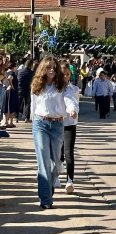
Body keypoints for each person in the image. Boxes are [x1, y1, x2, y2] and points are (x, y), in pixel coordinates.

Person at [30, 56, 78, 209]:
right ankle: (45, 199)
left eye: (53, 67)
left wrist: (72, 110)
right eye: (48, 67)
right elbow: (33, 104)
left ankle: (48, 188)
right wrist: (32, 120)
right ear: (43, 69)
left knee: (55, 164)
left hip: (57, 125)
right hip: (40, 124)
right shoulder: (37, 85)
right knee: (43, 160)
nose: (51, 69)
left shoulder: (62, 85)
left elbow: (69, 99)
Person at [60, 61, 80, 194]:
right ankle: (55, 176)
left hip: (70, 124)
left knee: (68, 153)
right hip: (56, 123)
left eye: (67, 74)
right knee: (57, 153)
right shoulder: (54, 88)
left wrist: (73, 111)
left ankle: (70, 181)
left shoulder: (74, 89)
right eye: (63, 75)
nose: (65, 77)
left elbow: (75, 103)